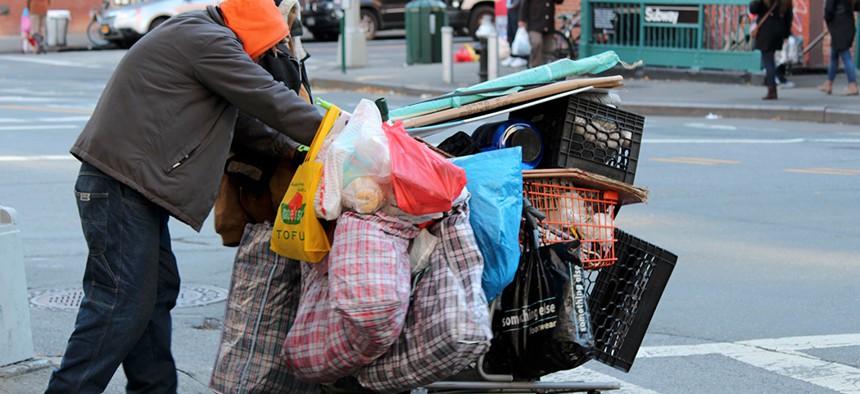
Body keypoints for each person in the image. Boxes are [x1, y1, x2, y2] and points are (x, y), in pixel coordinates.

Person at [44, 0, 324, 392]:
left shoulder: (201, 33)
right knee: (119, 304)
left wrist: (296, 150)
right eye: (263, 53)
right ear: (254, 37)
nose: (262, 61)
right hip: (119, 187)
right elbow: (270, 100)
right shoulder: (210, 42)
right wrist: (338, 129)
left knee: (153, 294)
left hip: (131, 188)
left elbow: (246, 121)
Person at [750, 0, 793, 100]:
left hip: (766, 31)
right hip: (778, 30)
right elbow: (789, 16)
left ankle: (772, 89)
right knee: (771, 59)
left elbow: (753, 9)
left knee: (768, 61)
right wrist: (786, 34)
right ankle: (772, 86)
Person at [819, 0, 860, 96]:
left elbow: (828, 10)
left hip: (838, 27)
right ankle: (829, 83)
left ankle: (852, 85)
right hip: (848, 24)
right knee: (834, 56)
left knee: (846, 56)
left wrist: (829, 21)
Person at [518, 0, 564, 68]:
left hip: (548, 24)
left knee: (548, 48)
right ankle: (534, 68)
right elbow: (525, 3)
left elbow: (559, 1)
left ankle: (545, 70)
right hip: (534, 22)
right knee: (537, 43)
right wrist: (521, 19)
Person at [501, 0, 528, 68]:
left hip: (518, 7)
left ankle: (521, 57)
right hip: (510, 6)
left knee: (517, 32)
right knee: (510, 32)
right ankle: (513, 55)